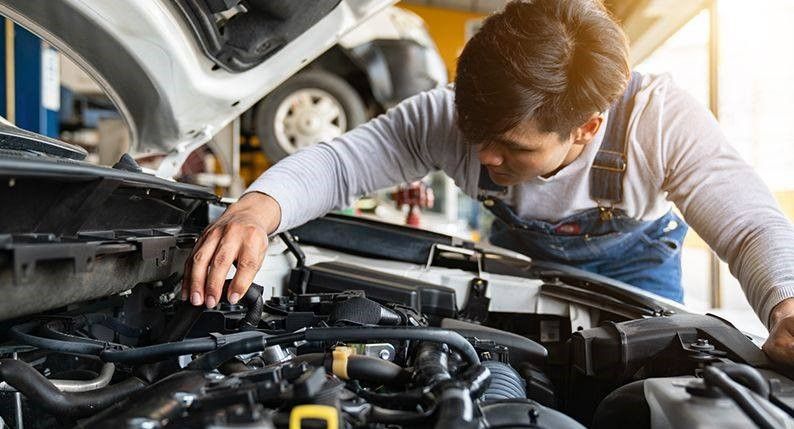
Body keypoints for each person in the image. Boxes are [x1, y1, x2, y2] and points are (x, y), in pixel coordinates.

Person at [180, 0, 794, 364]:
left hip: (635, 275)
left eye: (512, 146)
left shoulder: (657, 121)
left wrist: (784, 301)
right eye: (475, 131)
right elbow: (341, 164)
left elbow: (746, 224)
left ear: (587, 129)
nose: (481, 154)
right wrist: (259, 208)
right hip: (527, 273)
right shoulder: (448, 119)